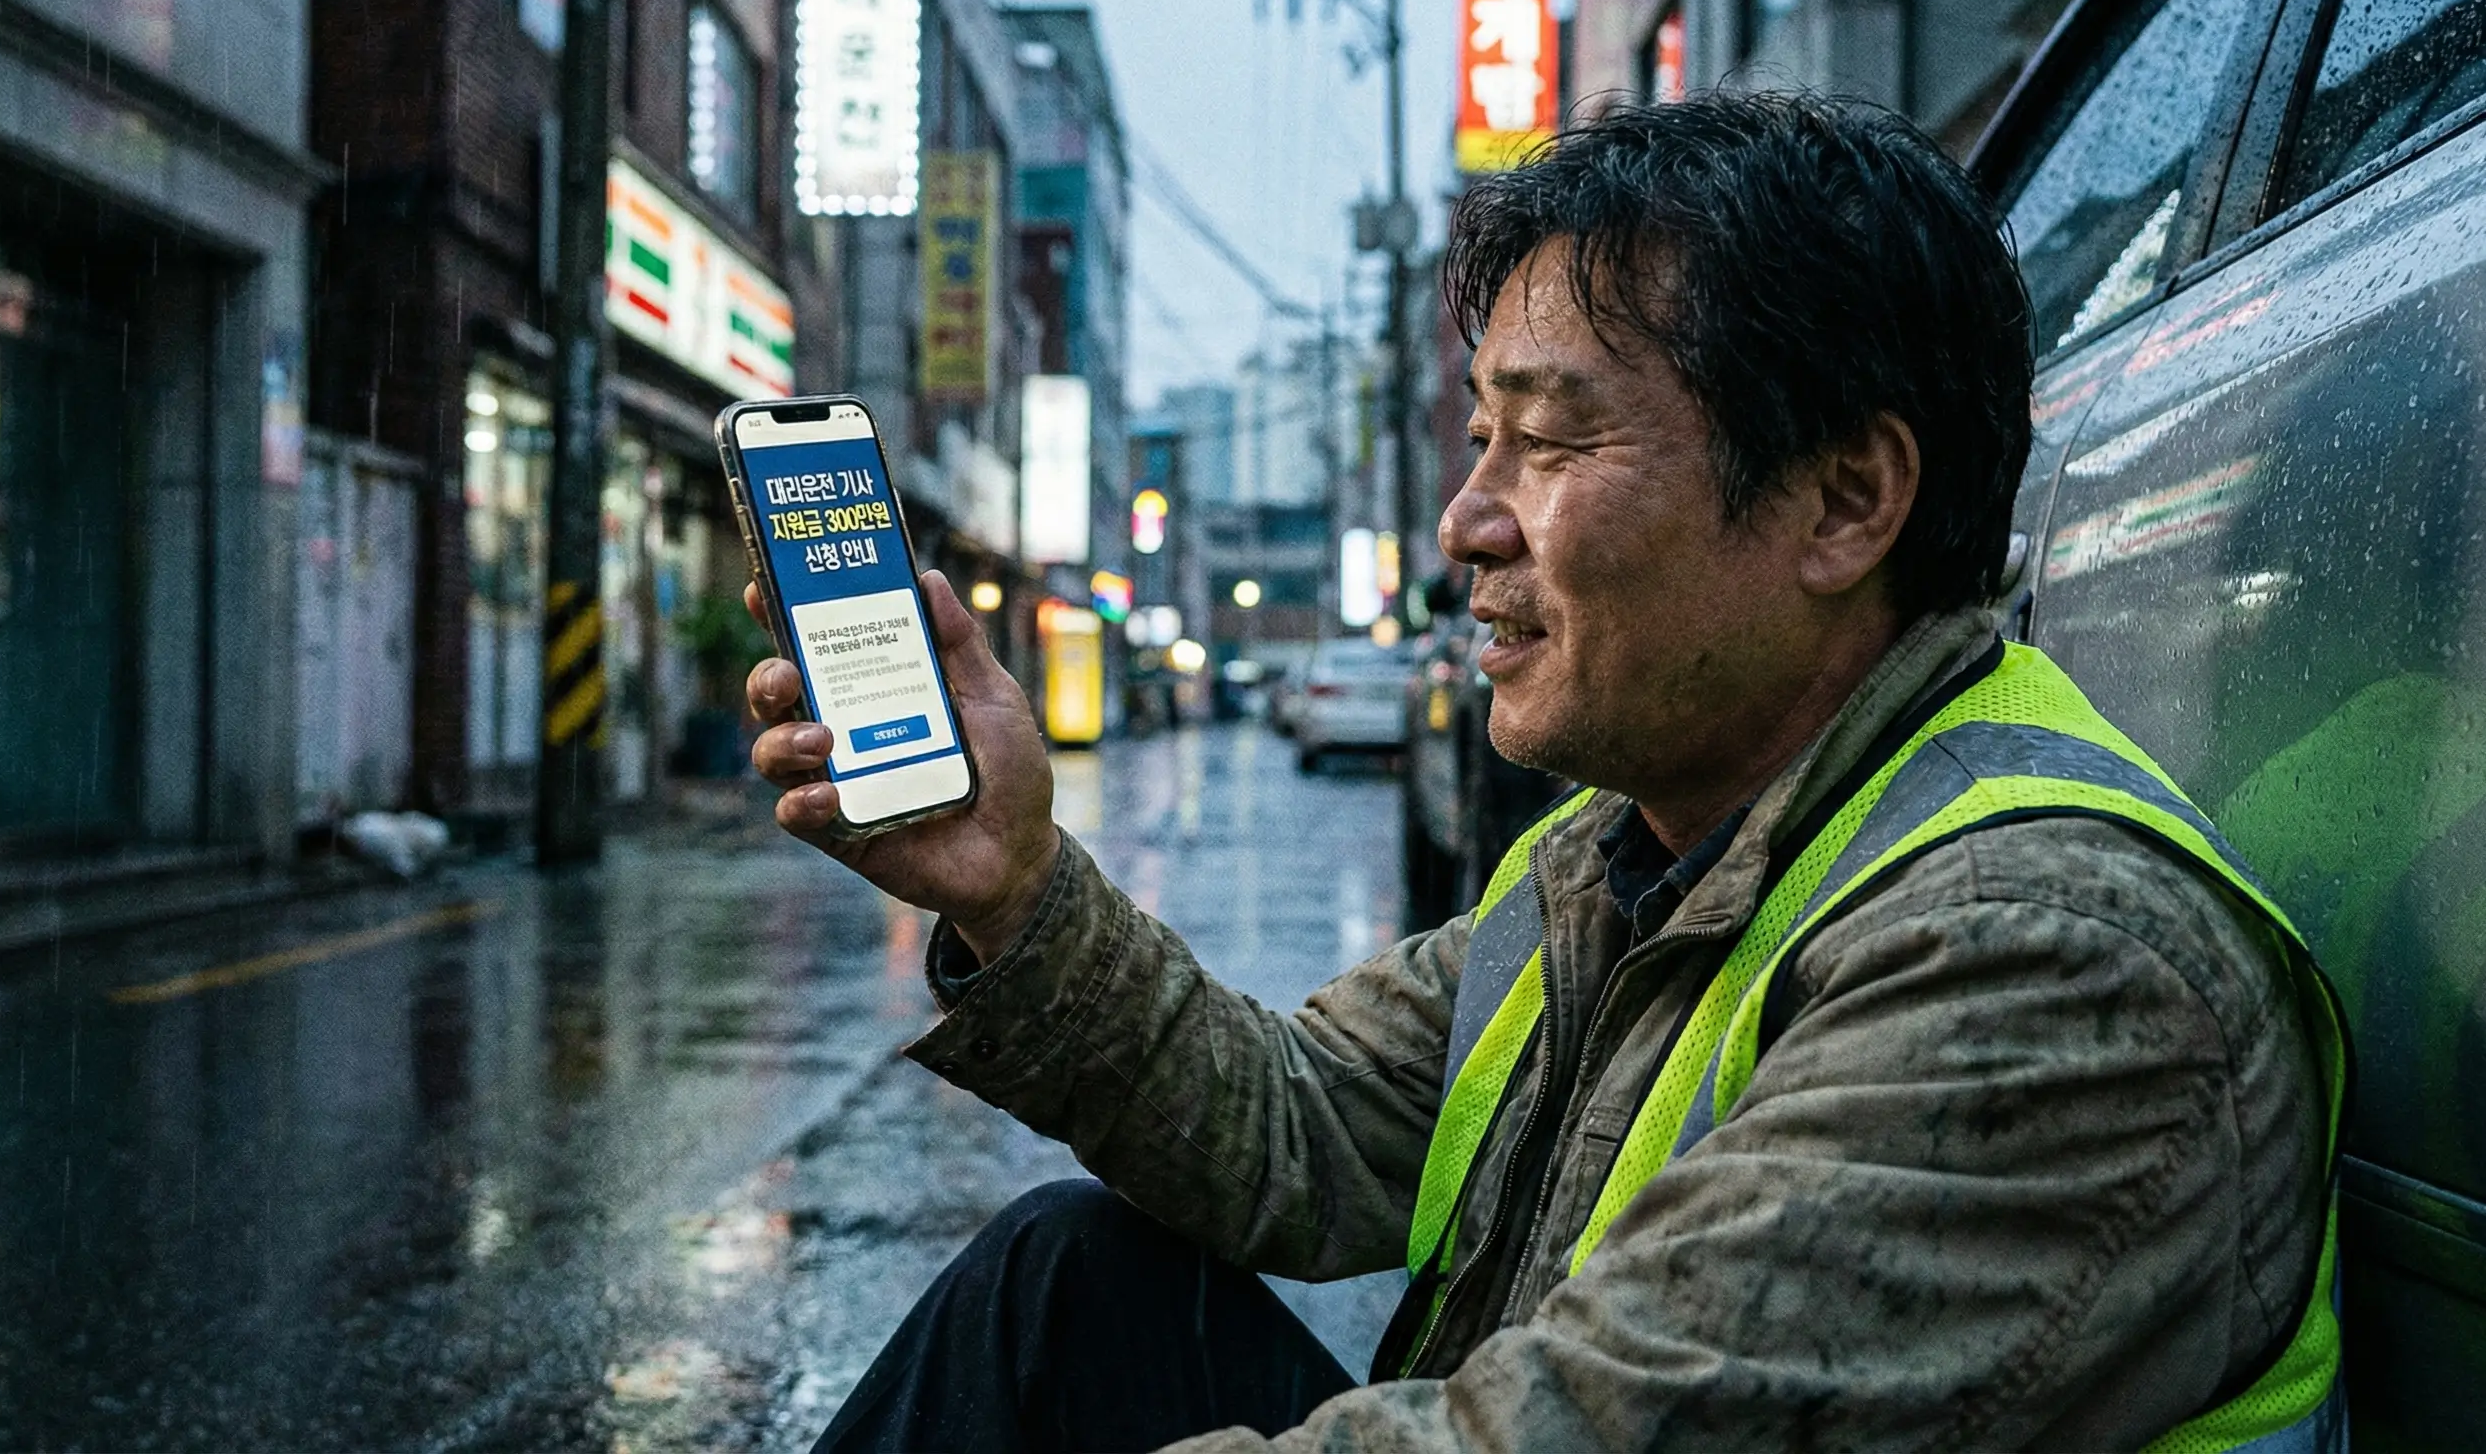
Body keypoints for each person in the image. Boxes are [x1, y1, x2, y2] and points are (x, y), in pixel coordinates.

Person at [746, 92, 2348, 1453]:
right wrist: (1015, 887)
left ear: (1846, 500)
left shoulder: (2046, 961)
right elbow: (1296, 1130)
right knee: (1066, 1277)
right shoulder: (1625, 856)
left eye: (1556, 442)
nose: (1468, 523)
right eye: (1477, 437)